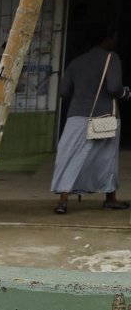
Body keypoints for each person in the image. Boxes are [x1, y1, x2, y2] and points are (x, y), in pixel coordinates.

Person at [51, 26, 131, 215]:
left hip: (76, 117)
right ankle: (110, 199)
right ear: (106, 40)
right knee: (106, 157)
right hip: (103, 116)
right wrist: (125, 93)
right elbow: (113, 88)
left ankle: (63, 201)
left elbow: (63, 92)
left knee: (69, 156)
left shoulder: (75, 62)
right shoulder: (112, 58)